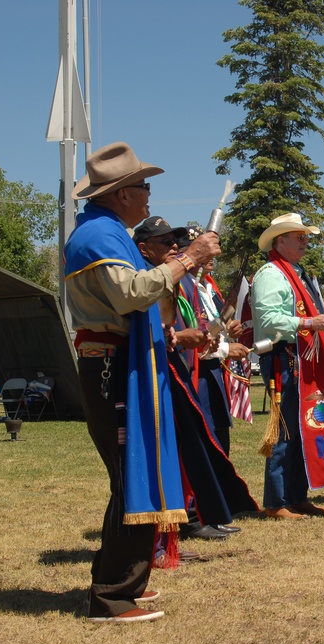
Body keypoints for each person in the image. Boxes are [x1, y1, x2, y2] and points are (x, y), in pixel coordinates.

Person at [64, 141, 220, 623]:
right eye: (144, 187)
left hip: (117, 362)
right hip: (112, 366)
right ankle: (111, 595)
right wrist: (186, 259)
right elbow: (131, 294)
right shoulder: (100, 237)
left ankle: (122, 582)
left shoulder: (107, 231)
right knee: (131, 477)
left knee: (131, 476)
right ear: (121, 193)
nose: (150, 196)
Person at [135, 218, 258, 542]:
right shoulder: (159, 281)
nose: (174, 248)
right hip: (173, 374)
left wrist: (218, 333)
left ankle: (203, 512)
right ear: (144, 249)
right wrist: (209, 342)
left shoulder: (192, 285)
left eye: (177, 243)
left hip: (191, 372)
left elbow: (198, 326)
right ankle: (190, 516)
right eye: (166, 243)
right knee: (184, 450)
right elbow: (167, 329)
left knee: (204, 446)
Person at [251, 213, 324, 518]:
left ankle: (297, 497)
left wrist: (323, 326)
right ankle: (275, 503)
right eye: (298, 237)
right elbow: (268, 320)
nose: (305, 241)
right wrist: (309, 322)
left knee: (304, 430)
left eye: (305, 236)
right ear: (280, 241)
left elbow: (309, 316)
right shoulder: (271, 274)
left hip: (304, 358)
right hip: (284, 358)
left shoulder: (298, 273)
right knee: (285, 430)